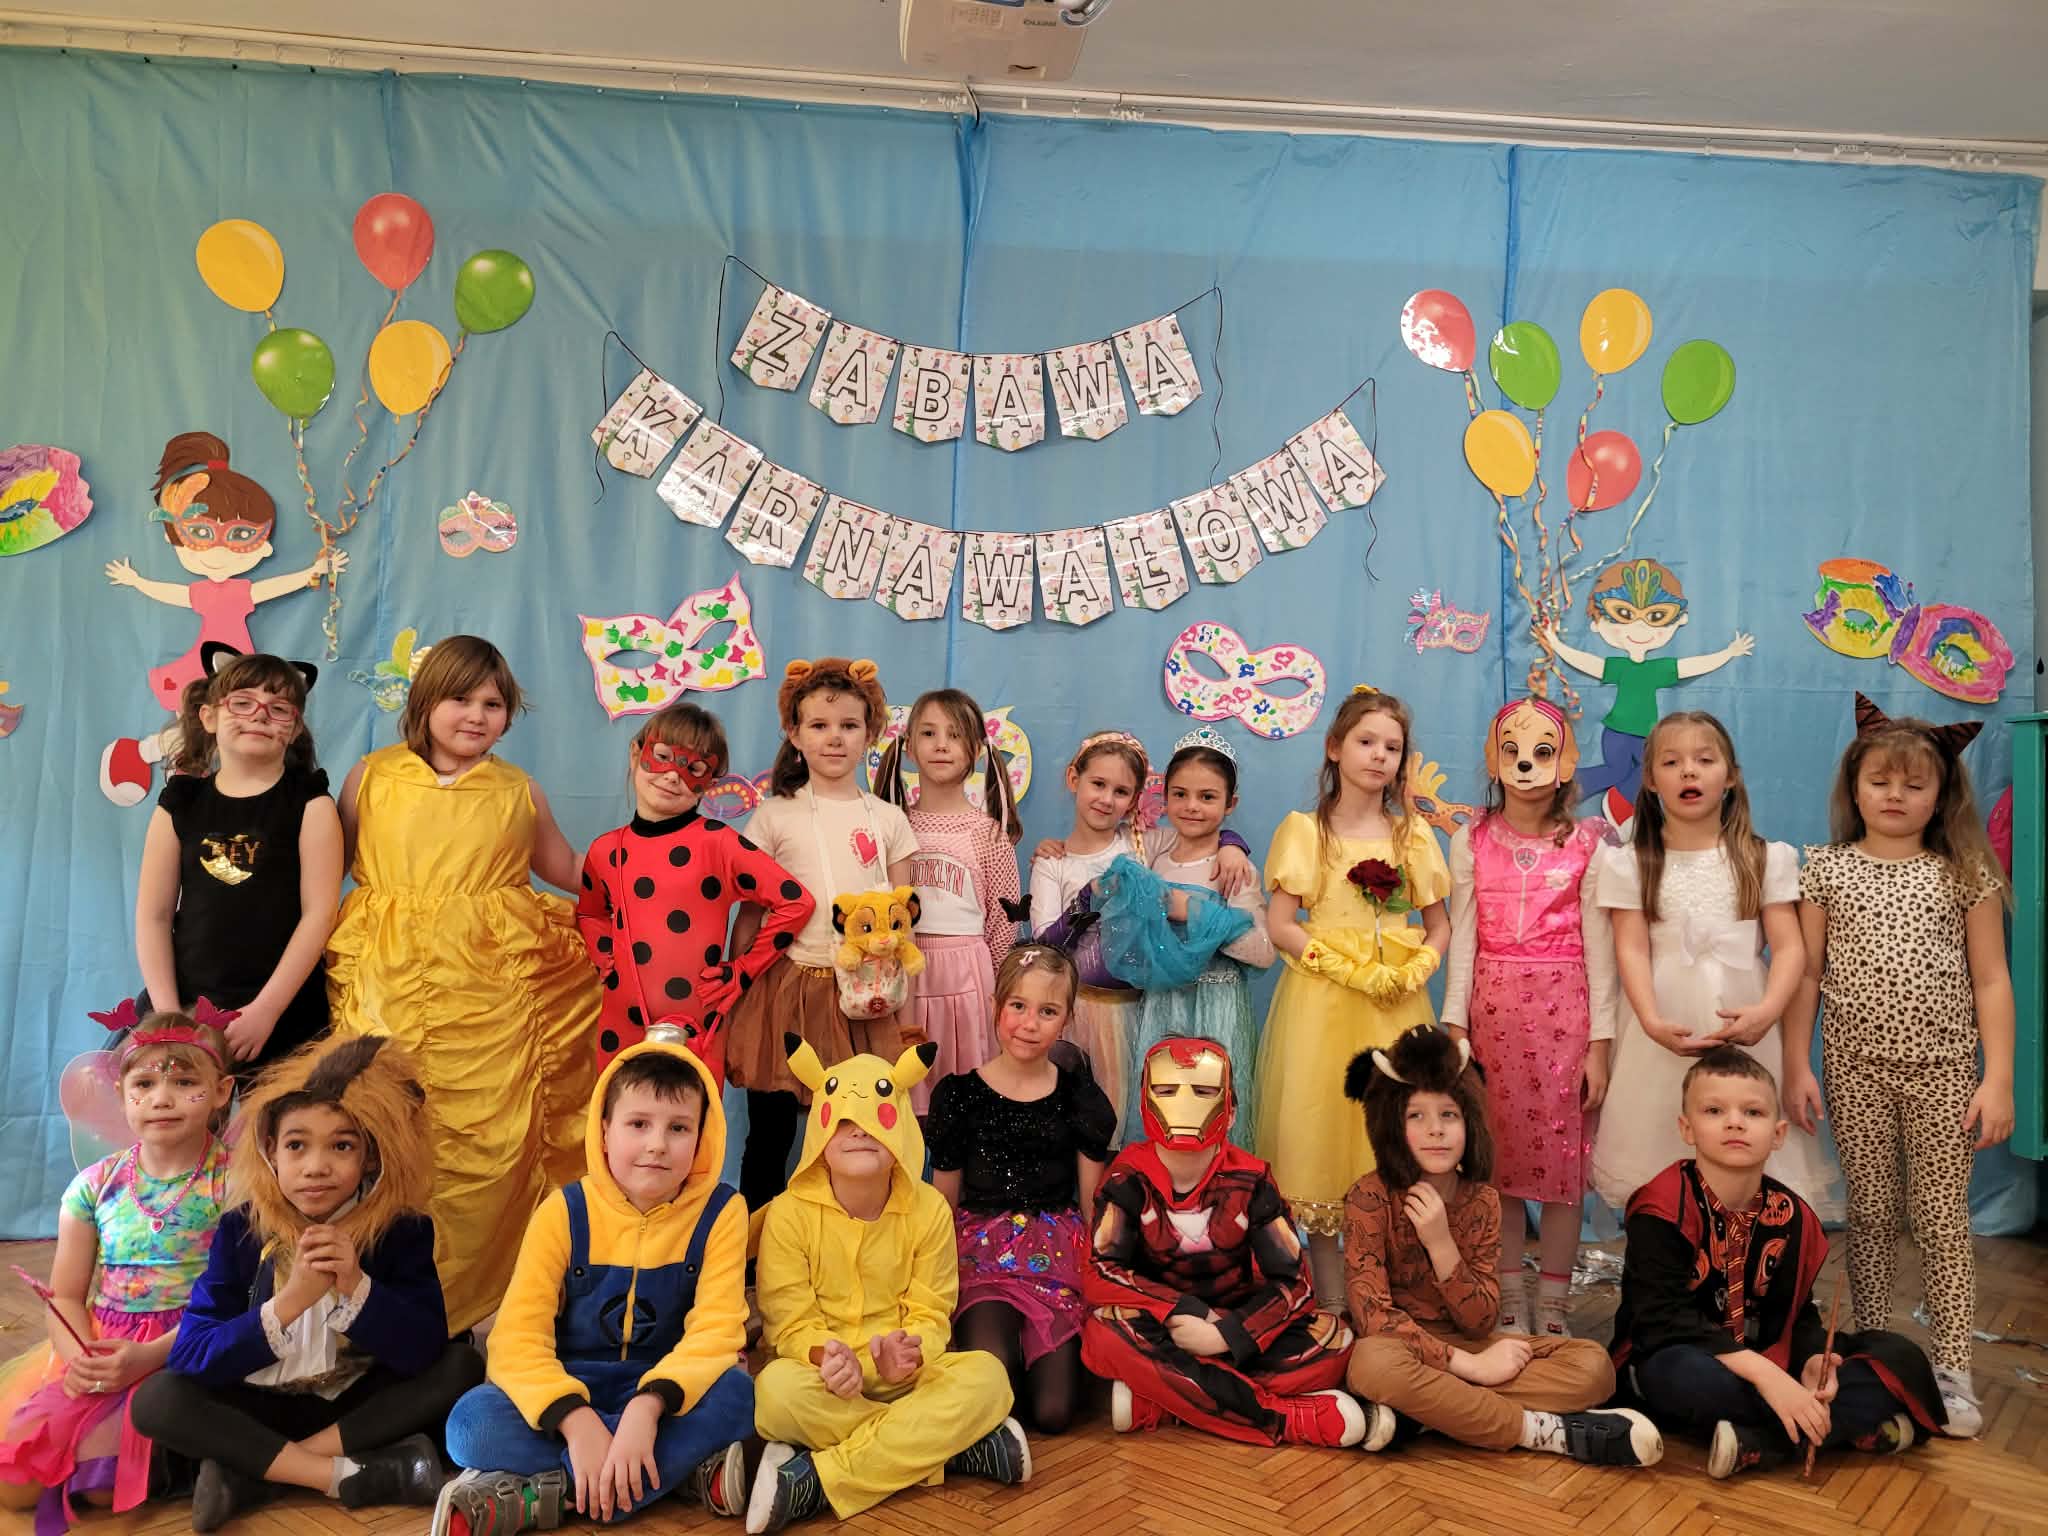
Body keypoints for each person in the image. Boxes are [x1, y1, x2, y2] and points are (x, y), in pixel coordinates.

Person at [325, 635, 599, 1335]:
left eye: (493, 704)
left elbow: (567, 868)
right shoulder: (371, 778)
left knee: (493, 1142)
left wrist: (654, 872)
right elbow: (326, 869)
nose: (476, 715)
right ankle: (377, 1301)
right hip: (386, 979)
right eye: (459, 699)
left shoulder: (516, 791)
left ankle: (490, 1303)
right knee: (389, 1128)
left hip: (492, 992)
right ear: (424, 702)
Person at [132, 1036, 482, 1530]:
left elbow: (424, 1350)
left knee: (462, 1364)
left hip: (351, 1409)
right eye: (297, 1145)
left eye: (342, 1146)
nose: (317, 1167)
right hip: (258, 1406)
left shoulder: (402, 1230)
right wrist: (289, 1303)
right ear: (271, 1152)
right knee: (157, 1399)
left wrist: (357, 1288)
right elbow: (191, 1354)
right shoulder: (240, 1230)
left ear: (370, 1158)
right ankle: (344, 1475)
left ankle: (260, 1475)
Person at [1787, 694, 2015, 1437]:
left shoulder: (1964, 872)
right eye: (1880, 781)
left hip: (1945, 1071)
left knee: (1942, 1220)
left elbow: (1991, 980)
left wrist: (1998, 1079)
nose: (1895, 795)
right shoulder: (1826, 869)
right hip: (1854, 1069)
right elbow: (1807, 975)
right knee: (1872, 1215)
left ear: (1940, 794)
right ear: (1854, 788)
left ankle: (1951, 1369)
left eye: (1914, 784)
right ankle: (1874, 1355)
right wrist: (1795, 1064)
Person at [438, 1029, 754, 1532]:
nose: (656, 1144)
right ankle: (669, 1475)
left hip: (664, 1393)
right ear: (604, 1131)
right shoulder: (563, 1212)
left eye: (678, 1128)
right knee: (469, 1427)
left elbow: (716, 1333)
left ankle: (550, 1495)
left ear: (702, 1138)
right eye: (638, 1124)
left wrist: (647, 1408)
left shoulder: (723, 1212)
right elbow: (516, 1339)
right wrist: (576, 1421)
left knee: (740, 1396)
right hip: (572, 1385)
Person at [1611, 1048, 1944, 1478]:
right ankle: (1828, 1427)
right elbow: (1659, 1320)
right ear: (1686, 1128)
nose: (1735, 1122)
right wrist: (1769, 1379)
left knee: (1901, 1357)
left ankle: (1761, 1443)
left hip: (1768, 1357)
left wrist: (1811, 1362)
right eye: (1714, 1110)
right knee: (1683, 1376)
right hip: (1681, 1356)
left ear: (1778, 1133)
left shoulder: (1791, 1215)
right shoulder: (1662, 1207)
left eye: (1752, 1112)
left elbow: (1795, 1315)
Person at [1342, 1024, 1659, 1465]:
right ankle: (1541, 1430)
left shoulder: (1483, 1200)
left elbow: (1479, 1321)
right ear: (1393, 1125)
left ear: (1470, 1122)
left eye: (1449, 1115)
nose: (1435, 1130)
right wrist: (1469, 1367)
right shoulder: (1368, 1196)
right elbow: (1373, 1317)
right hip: (1400, 1348)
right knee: (1370, 1365)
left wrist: (1441, 1244)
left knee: (1594, 1368)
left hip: (1469, 1344)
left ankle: (1428, 1411)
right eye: (1416, 1116)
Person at [748, 1037, 1027, 1533]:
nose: (859, 1132)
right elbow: (788, 1324)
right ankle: (952, 1451)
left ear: (899, 1126)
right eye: (843, 1121)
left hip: (909, 1380)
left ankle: (818, 1479)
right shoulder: (788, 1214)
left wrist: (909, 1352)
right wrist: (827, 1358)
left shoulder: (929, 1209)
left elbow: (932, 1311)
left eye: (874, 1120)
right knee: (773, 1394)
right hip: (828, 1383)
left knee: (988, 1378)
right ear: (820, 1131)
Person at [1588, 711, 1837, 1217]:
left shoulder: (1764, 857)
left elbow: (1790, 948)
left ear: (1731, 776)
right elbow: (1631, 949)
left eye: (1704, 760)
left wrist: (1767, 1012)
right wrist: (1652, 1021)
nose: (1688, 771)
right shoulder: (1629, 863)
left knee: (1745, 1148)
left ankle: (1744, 1261)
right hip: (1662, 1029)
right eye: (1671, 762)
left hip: (1747, 1024)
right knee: (1663, 1149)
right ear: (1650, 780)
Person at [0, 1011, 234, 1533]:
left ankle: (196, 1461)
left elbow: (238, 1299)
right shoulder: (93, 1186)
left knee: (102, 1489)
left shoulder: (234, 1183)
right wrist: (81, 1360)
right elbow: (64, 1296)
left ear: (221, 1092)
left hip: (192, 1341)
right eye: (144, 1084)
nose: (162, 1098)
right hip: (105, 1343)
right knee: (15, 1482)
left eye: (185, 1082)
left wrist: (150, 1356)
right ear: (122, 1096)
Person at [1257, 685, 1451, 1304]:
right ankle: (1332, 1295)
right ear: (1335, 747)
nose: (1379, 756)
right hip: (1323, 1005)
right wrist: (1345, 968)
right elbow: (1281, 924)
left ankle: (1390, 1293)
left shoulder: (1411, 836)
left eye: (1392, 747)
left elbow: (1439, 924)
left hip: (1395, 1006)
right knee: (1321, 1132)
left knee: (1390, 1133)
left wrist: (1420, 965)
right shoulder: (1306, 832)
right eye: (1367, 742)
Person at [1082, 1036, 1365, 1448]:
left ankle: (1165, 1401)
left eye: (1203, 1090)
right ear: (1146, 1102)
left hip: (1235, 1328)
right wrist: (1189, 1313)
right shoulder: (1127, 1179)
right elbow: (1101, 1273)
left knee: (1335, 1340)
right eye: (1166, 1089)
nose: (1184, 1103)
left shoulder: (1251, 1179)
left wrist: (1227, 1335)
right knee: (1106, 1332)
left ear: (1230, 1111)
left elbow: (1295, 1285)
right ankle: (1286, 1419)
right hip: (1162, 1328)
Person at [1440, 699, 1617, 1336]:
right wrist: (1455, 1027)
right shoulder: (1471, 839)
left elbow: (1601, 947)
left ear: (1564, 762)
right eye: (1513, 750)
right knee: (1501, 1166)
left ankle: (1555, 1303)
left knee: (1564, 1167)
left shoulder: (1590, 841)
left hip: (1566, 1020)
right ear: (1495, 759)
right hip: (1494, 1022)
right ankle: (1510, 1295)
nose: (1526, 764)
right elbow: (1463, 939)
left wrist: (1601, 1044)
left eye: (1542, 751)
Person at [725, 658, 917, 1213]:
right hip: (784, 991)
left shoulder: (888, 819)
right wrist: (736, 986)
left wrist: (904, 993)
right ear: (794, 733)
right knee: (771, 1133)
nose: (835, 738)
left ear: (870, 733)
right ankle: (756, 1244)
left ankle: (851, 1231)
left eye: (849, 725)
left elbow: (905, 915)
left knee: (858, 1128)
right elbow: (751, 911)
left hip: (862, 995)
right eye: (819, 725)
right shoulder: (774, 816)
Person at [99, 431, 343, 805]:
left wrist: (314, 571)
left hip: (235, 669)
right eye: (200, 533)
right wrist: (137, 581)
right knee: (199, 723)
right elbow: (174, 593)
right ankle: (144, 756)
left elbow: (273, 588)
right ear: (174, 536)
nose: (217, 549)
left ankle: (160, 761)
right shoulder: (205, 593)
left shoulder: (238, 592)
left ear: (262, 546)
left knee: (221, 724)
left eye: (240, 535)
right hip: (207, 665)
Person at [1030, 731, 1253, 1141]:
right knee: (1070, 1110)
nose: (1106, 799)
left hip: (1136, 1008)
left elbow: (1201, 830)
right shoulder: (1053, 862)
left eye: (1121, 791)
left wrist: (1233, 845)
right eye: (1098, 784)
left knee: (1130, 1107)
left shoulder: (1142, 845)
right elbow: (1046, 943)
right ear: (1074, 779)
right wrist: (1086, 897)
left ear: (1135, 800)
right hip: (1078, 1006)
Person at [928, 945, 1115, 1433]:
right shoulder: (960, 1096)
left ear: (1066, 1019)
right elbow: (941, 1202)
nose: (1029, 1024)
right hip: (981, 1257)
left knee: (1053, 1413)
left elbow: (1092, 1203)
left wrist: (1105, 1281)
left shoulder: (1080, 1099)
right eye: (1018, 1006)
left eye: (1047, 1011)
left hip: (1055, 1257)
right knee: (996, 1385)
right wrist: (931, 1286)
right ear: (996, 1006)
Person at [135, 645, 341, 1080]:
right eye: (243, 703)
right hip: (188, 1007)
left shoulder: (311, 803)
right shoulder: (181, 803)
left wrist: (267, 1010)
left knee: (271, 1120)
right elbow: (153, 917)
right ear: (209, 717)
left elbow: (320, 914)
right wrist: (171, 1018)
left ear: (294, 728)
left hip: (284, 1013)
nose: (260, 715)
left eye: (278, 708)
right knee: (186, 1117)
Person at [576, 703, 813, 1076]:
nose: (673, 775)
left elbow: (796, 902)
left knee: (697, 1112)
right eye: (662, 757)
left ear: (711, 782)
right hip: (620, 1026)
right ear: (637, 753)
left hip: (698, 1028)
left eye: (695, 768)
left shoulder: (718, 843)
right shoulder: (605, 850)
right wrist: (602, 950)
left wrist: (742, 971)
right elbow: (591, 912)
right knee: (617, 1110)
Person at [1118, 729, 1275, 1149]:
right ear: (1164, 796)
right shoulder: (1153, 853)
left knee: (1213, 1106)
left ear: (1230, 804)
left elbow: (1263, 952)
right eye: (1180, 794)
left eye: (1207, 797)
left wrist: (1196, 913)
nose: (1191, 806)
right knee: (1161, 1101)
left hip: (1217, 1005)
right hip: (1161, 1006)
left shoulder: (1234, 869)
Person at [875, 688, 1023, 1116]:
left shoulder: (988, 834)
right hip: (905, 976)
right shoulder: (891, 825)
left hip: (968, 979)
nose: (941, 745)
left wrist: (992, 990)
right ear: (908, 747)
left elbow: (1003, 922)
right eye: (929, 733)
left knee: (967, 1105)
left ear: (975, 750)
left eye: (955, 735)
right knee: (904, 1099)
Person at [1540, 557, 1753, 816]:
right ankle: (1566, 789)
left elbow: (1691, 666)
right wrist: (1555, 643)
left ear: (1678, 620)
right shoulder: (1619, 667)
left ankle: (1617, 807)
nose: (1640, 627)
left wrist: (1728, 653)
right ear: (1598, 622)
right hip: (1617, 731)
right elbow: (1588, 663)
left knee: (1648, 772)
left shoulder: (1658, 669)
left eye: (1656, 616)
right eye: (1623, 614)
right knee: (1617, 770)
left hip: (1646, 736)